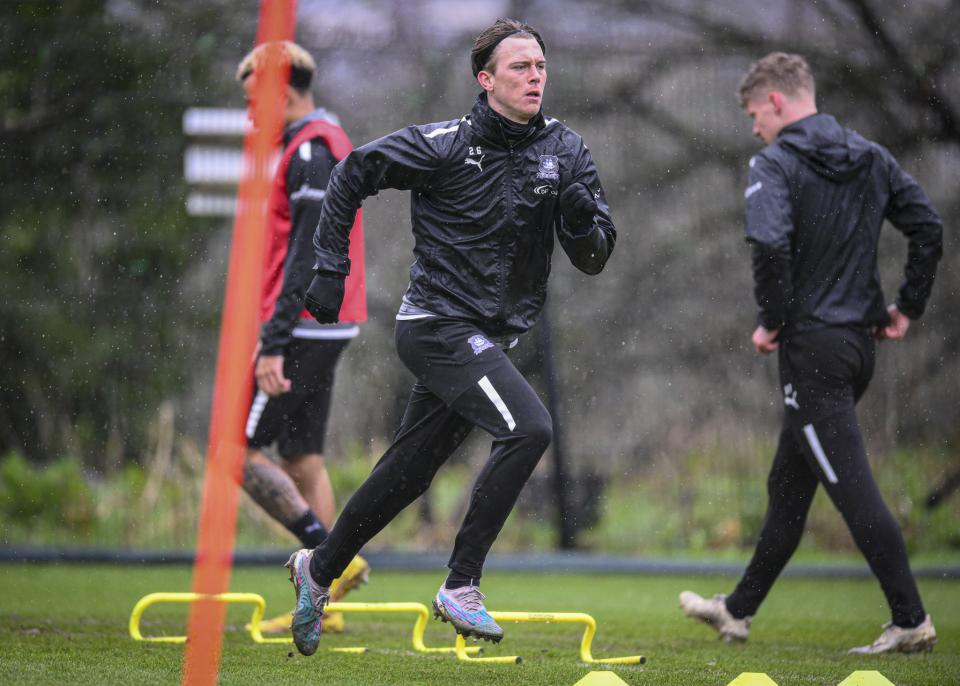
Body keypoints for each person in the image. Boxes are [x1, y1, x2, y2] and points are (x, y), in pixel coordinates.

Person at [282, 18, 617, 656]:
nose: (535, 76)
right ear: (485, 79)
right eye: (519, 67)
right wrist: (331, 267)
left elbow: (596, 256)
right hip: (434, 325)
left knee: (408, 473)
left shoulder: (567, 152)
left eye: (540, 66)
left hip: (488, 339)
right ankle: (461, 583)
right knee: (530, 428)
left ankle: (317, 569)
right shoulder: (444, 144)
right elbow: (352, 172)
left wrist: (578, 225)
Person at [680, 52, 942, 654]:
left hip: (811, 352)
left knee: (851, 488)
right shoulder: (871, 156)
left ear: (775, 100)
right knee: (789, 486)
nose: (753, 127)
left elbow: (769, 244)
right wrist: (907, 307)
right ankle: (737, 611)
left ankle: (910, 618)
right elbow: (928, 227)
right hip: (856, 348)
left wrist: (771, 322)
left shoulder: (773, 163)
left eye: (753, 112)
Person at [235, 41, 370, 634]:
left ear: (283, 94)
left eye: (253, 102)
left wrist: (271, 340)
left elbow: (306, 258)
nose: (249, 116)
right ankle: (324, 608)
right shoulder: (322, 142)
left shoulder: (311, 150)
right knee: (302, 458)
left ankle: (333, 561)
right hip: (328, 323)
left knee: (235, 453)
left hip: (304, 327)